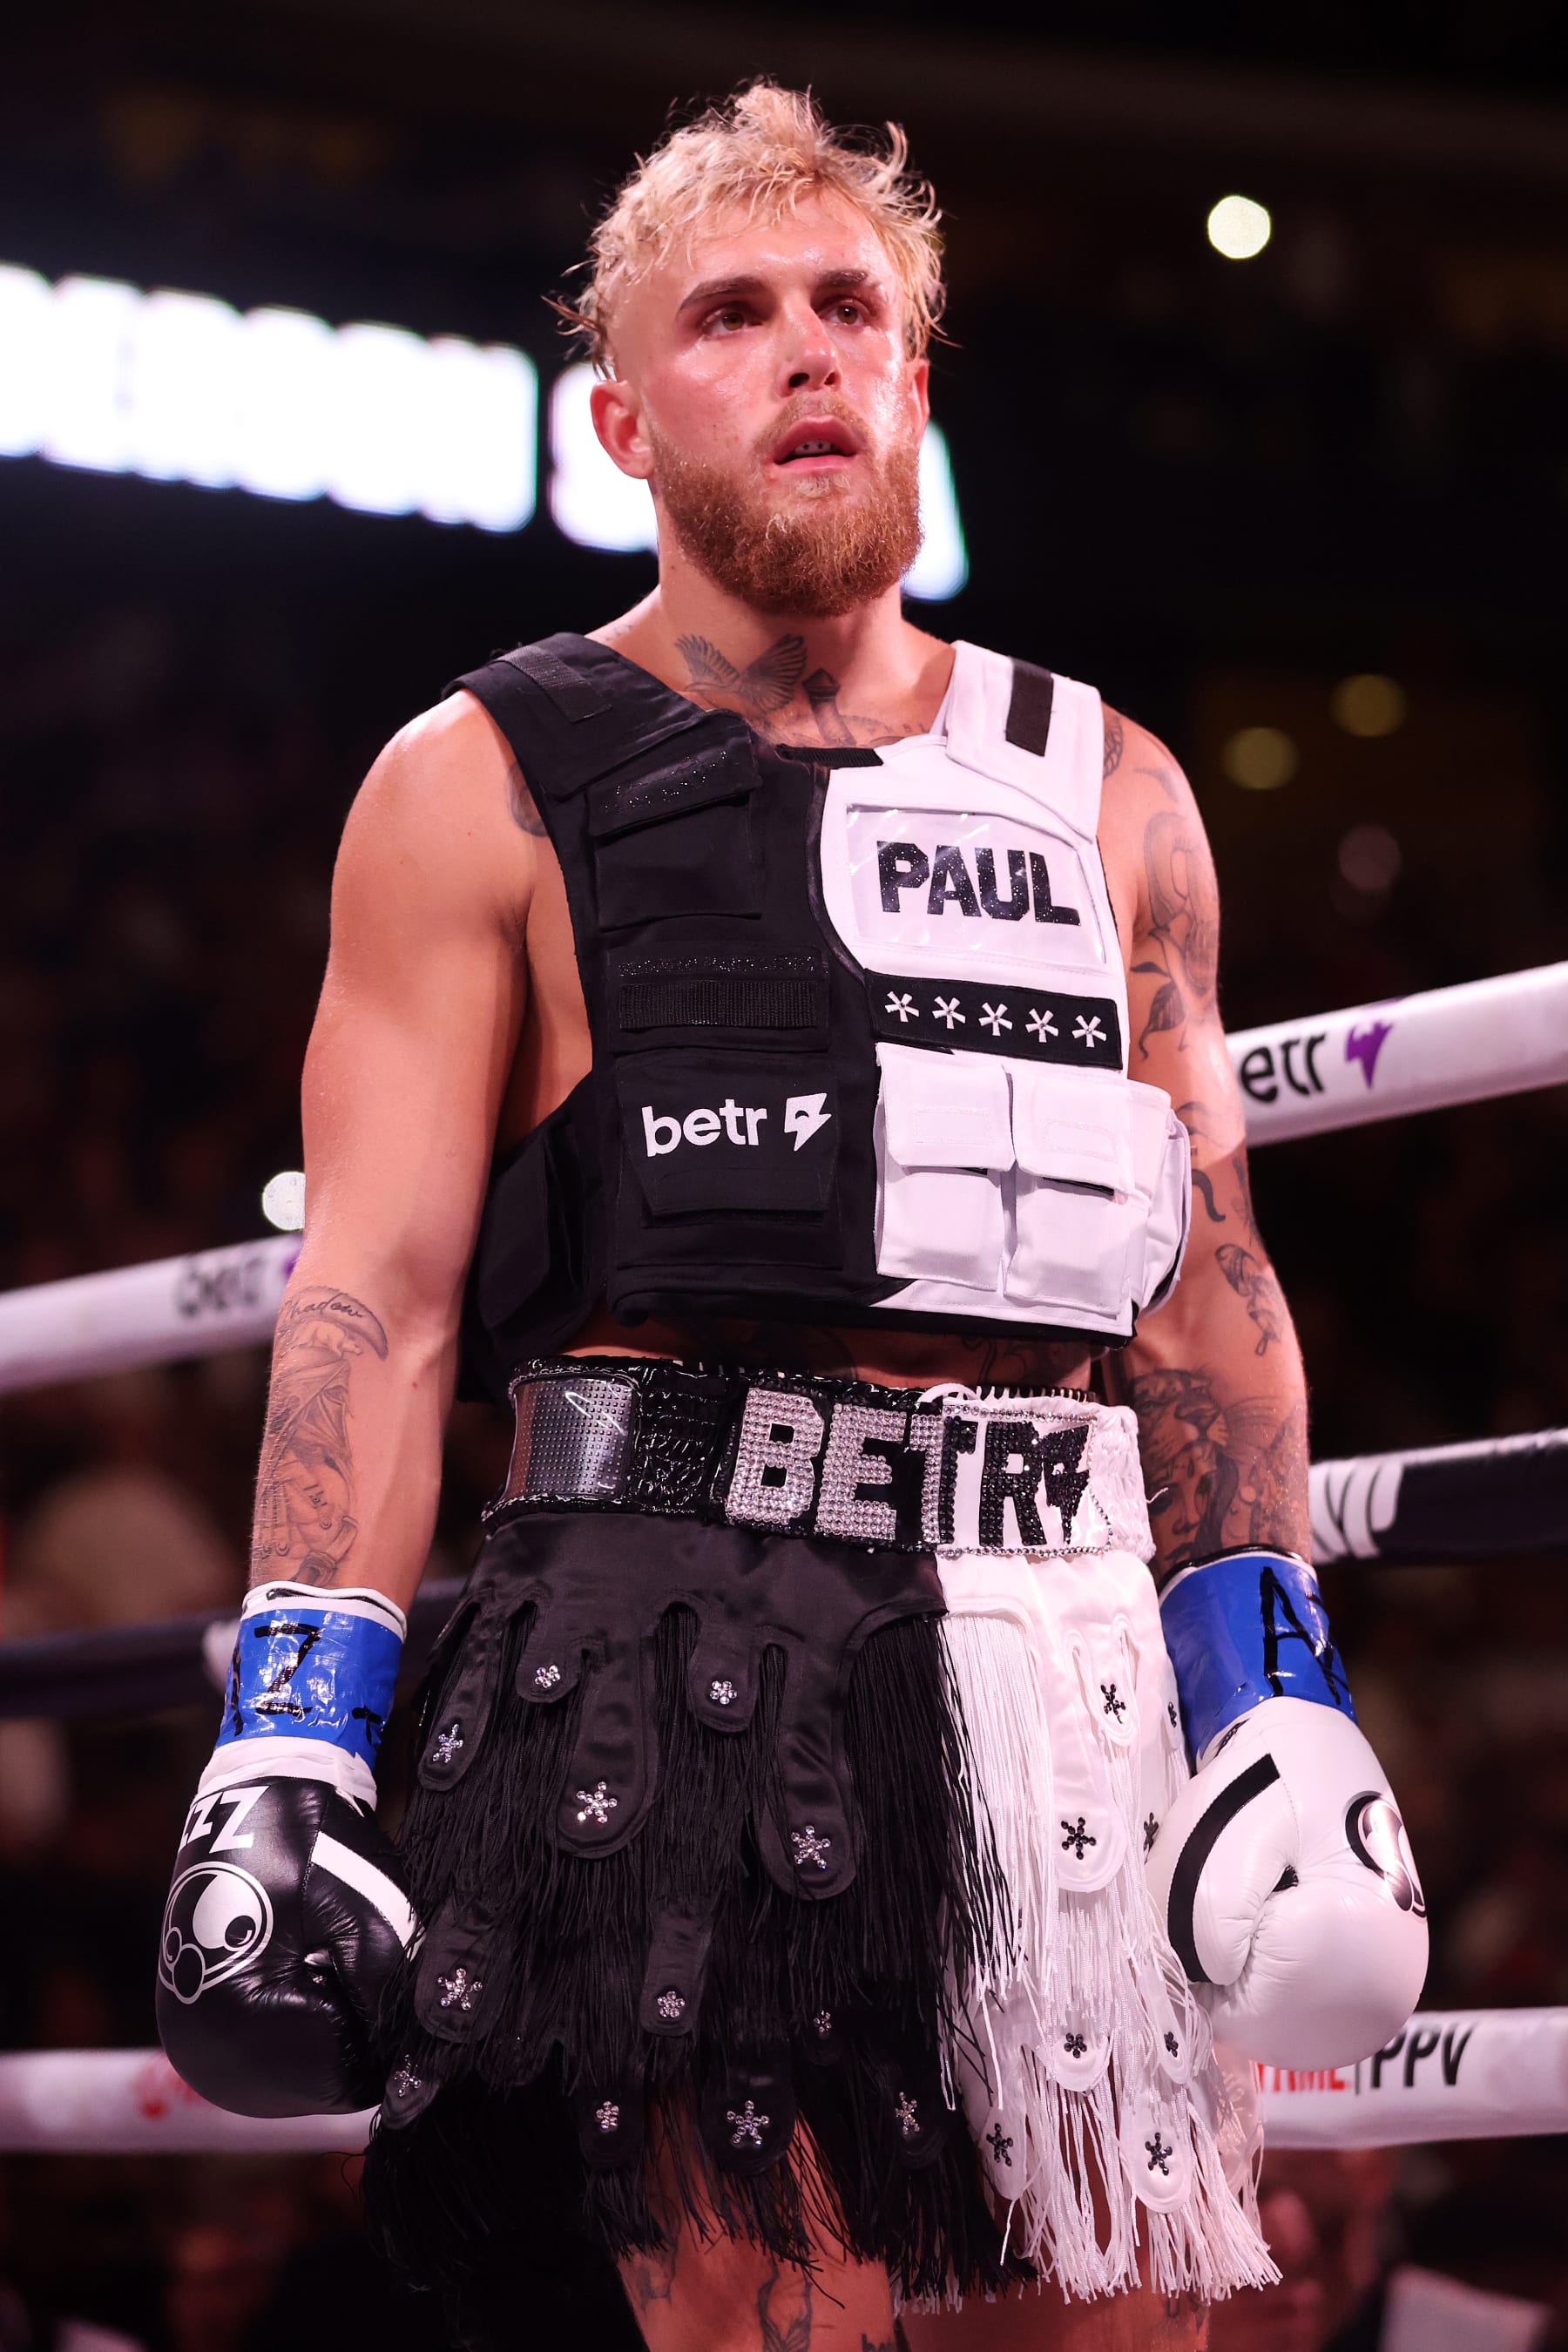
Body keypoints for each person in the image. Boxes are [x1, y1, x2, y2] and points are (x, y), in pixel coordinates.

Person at [154, 83, 1428, 2352]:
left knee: (1121, 2326)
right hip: (686, 1648)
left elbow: (1205, 1281)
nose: (809, 349)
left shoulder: (1112, 790)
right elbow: (379, 1287)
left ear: (919, 381)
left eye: (853, 307)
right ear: (625, 415)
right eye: (734, 315)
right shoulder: (479, 782)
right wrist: (287, 1732)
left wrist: (1280, 1686)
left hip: (1076, 1646)